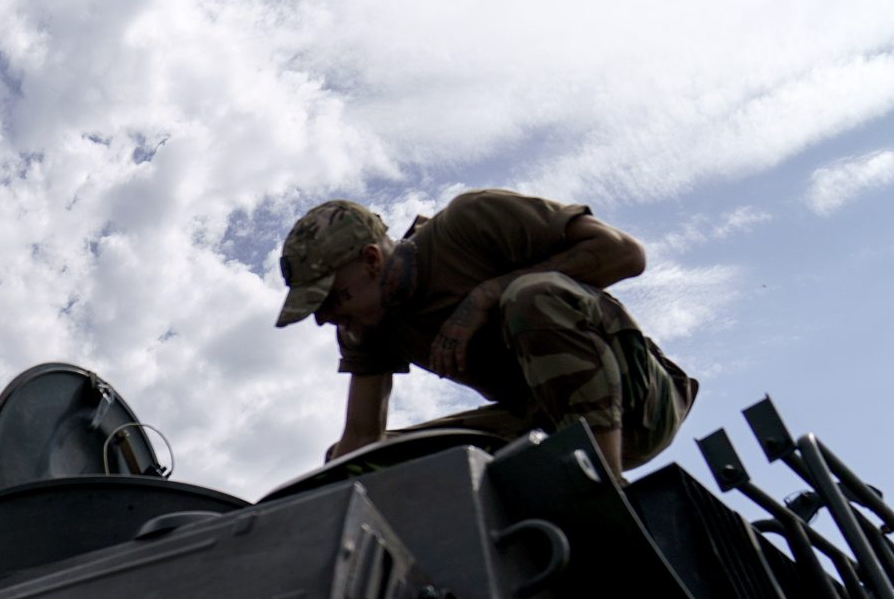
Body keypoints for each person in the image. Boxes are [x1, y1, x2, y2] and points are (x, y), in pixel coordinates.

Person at [275, 190, 697, 477]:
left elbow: (626, 254)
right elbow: (362, 438)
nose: (325, 319)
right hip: (542, 421)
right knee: (355, 465)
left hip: (640, 401)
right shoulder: (366, 324)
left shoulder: (470, 222)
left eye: (331, 299)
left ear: (371, 260)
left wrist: (487, 295)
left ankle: (600, 493)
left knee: (531, 297)